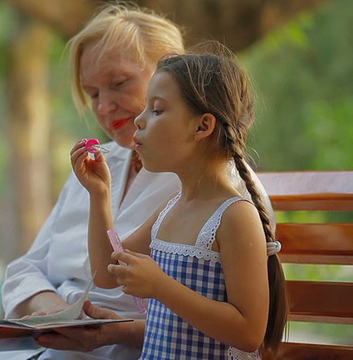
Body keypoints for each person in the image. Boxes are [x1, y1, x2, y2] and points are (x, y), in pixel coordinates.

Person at [0, 4, 273, 360]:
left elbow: (246, 331)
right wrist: (100, 198)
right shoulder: (126, 178)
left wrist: (115, 328)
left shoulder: (228, 201)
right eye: (92, 93)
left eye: (120, 83)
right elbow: (104, 267)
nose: (105, 107)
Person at [71, 48, 288, 358]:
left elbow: (249, 333)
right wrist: (99, 195)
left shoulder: (234, 216)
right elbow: (107, 273)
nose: (140, 120)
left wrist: (160, 286)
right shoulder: (172, 208)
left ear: (202, 127)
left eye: (157, 110)